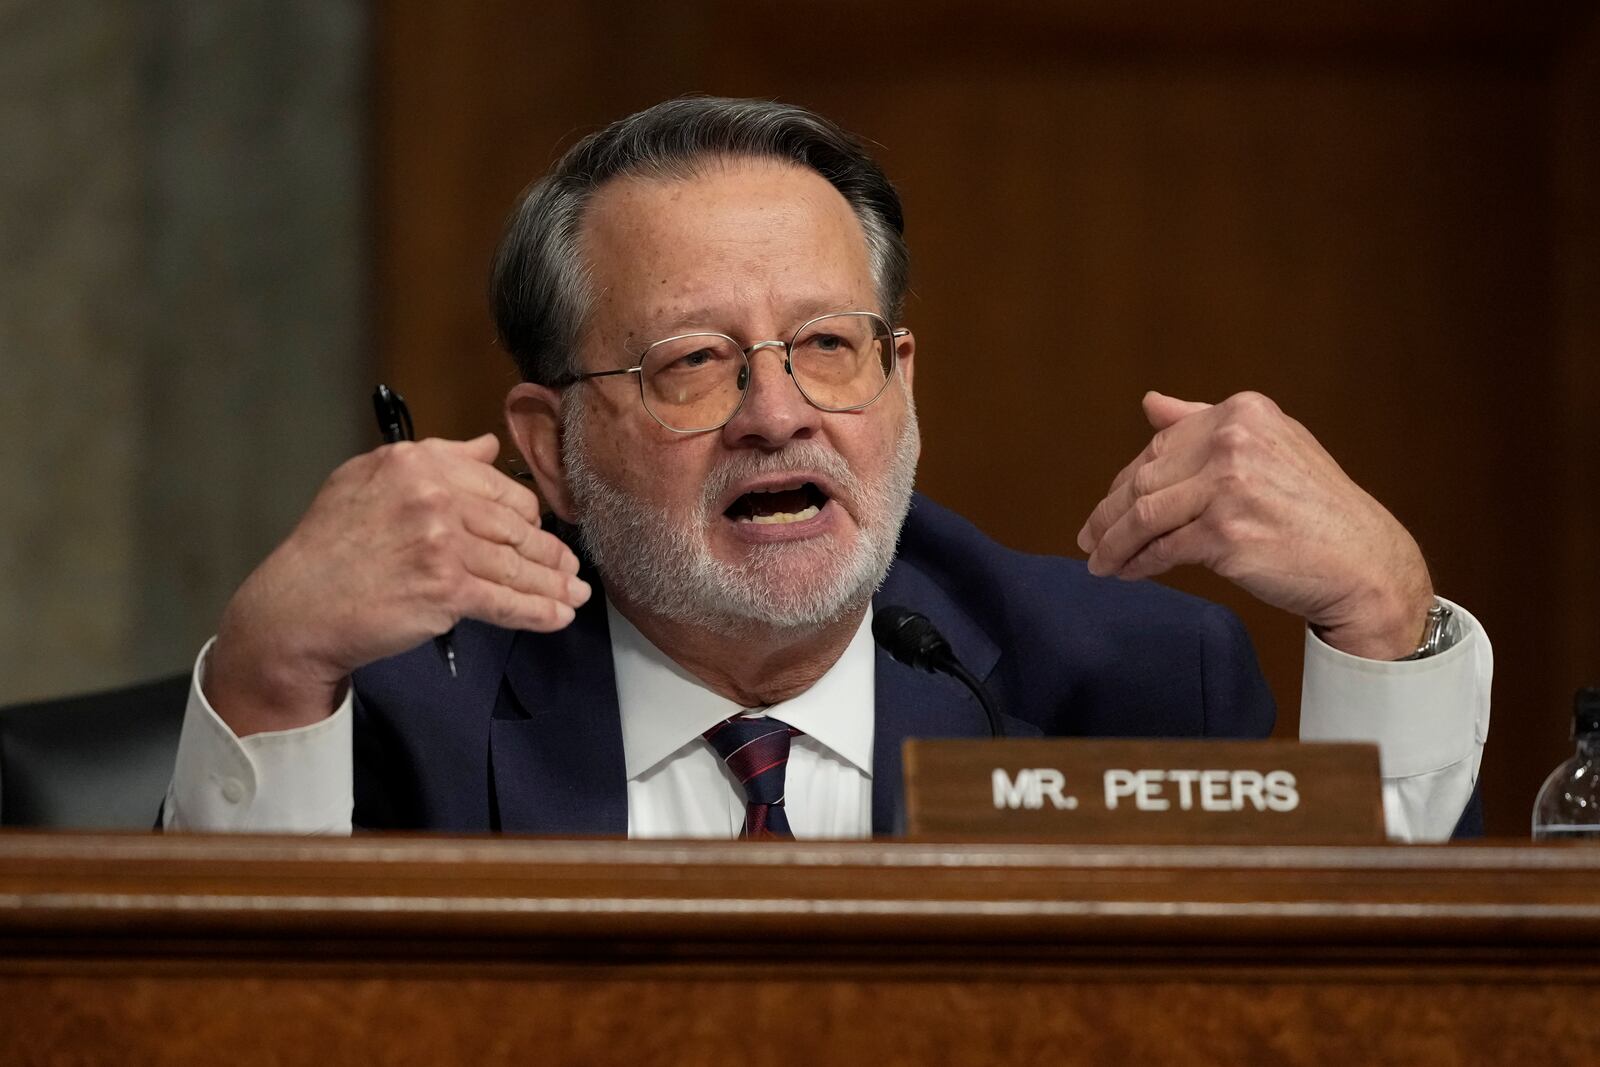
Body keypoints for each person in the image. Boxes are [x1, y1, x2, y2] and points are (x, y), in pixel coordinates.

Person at [165, 97, 1490, 841]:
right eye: (692, 362)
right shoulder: (404, 714)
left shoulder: (1124, 683)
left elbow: (1374, 1024)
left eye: (827, 347)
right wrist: (269, 677)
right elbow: (208, 1040)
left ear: (902, 381)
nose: (777, 414)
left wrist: (1387, 621)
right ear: (547, 449)